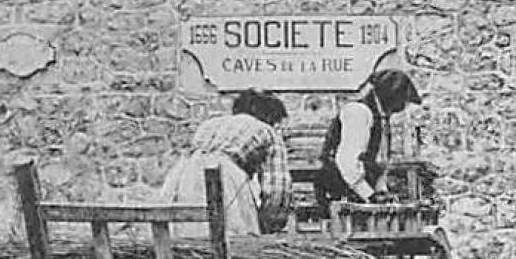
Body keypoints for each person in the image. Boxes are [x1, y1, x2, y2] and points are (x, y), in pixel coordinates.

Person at [158, 89, 292, 236]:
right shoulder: (267, 131)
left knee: (192, 232)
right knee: (232, 233)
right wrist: (269, 224)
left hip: (185, 174)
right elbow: (277, 190)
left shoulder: (209, 124)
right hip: (225, 177)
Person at [314, 67, 423, 215]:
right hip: (339, 188)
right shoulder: (358, 113)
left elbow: (378, 161)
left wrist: (381, 192)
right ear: (392, 97)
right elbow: (347, 162)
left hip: (359, 189)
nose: (403, 107)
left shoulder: (381, 117)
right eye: (402, 101)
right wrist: (369, 195)